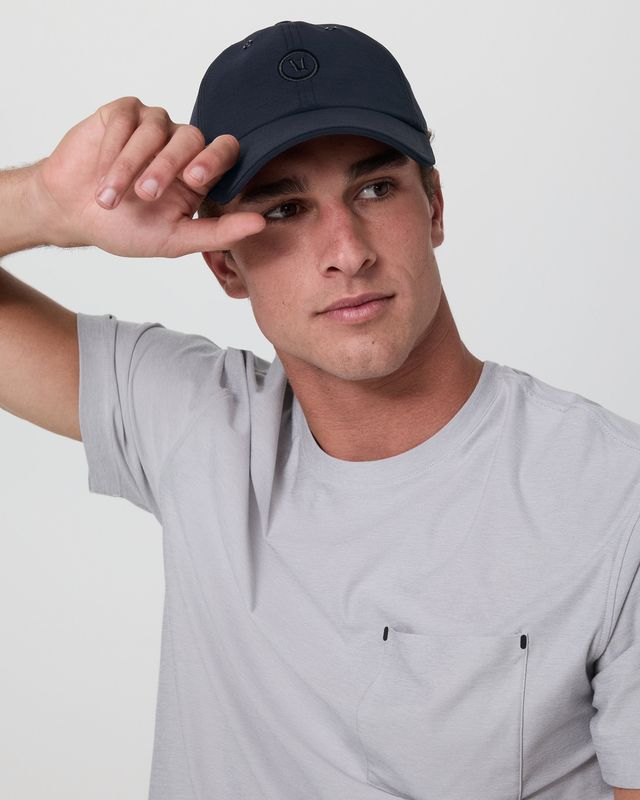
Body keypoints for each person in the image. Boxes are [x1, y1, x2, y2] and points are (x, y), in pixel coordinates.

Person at [1, 19, 639, 800]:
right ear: (223, 265)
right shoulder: (198, 426)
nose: (347, 251)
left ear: (435, 206)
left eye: (375, 189)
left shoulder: (613, 499)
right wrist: (45, 204)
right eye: (284, 210)